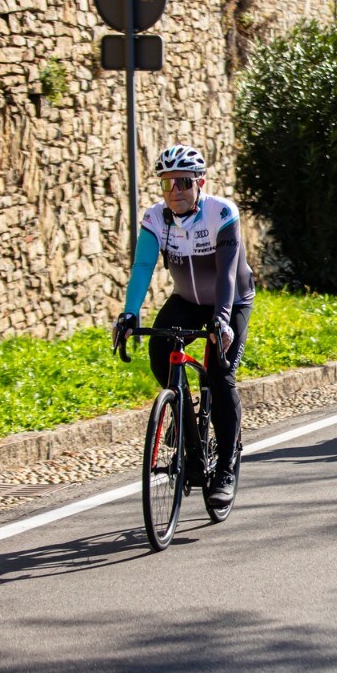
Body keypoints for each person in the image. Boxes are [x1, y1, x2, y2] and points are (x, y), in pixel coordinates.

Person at [113, 144, 255, 507]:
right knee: (159, 349)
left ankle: (224, 465)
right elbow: (142, 268)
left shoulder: (221, 213)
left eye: (183, 183)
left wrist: (222, 320)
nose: (174, 191)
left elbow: (226, 275)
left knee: (220, 374)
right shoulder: (155, 219)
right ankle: (184, 422)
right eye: (167, 184)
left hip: (231, 301)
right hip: (188, 301)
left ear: (199, 183)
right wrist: (130, 314)